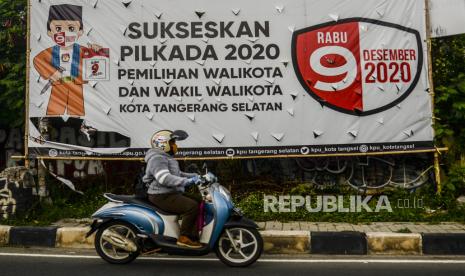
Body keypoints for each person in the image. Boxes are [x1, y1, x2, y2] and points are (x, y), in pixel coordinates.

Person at [143, 130, 202, 249]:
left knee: (199, 200)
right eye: (173, 142)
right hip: (161, 195)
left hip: (170, 193)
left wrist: (196, 176)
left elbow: (178, 174)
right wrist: (188, 182)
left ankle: (193, 235)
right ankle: (184, 238)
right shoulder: (157, 158)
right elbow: (164, 178)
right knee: (191, 206)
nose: (175, 145)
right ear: (163, 144)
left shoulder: (166, 157)